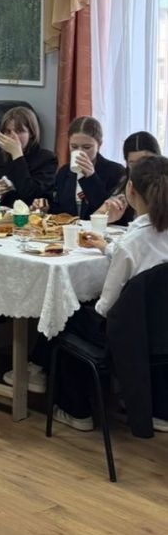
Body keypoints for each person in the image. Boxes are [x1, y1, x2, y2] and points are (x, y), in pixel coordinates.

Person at [50, 156, 168, 430]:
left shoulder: (133, 242)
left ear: (130, 190)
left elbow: (106, 306)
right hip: (161, 331)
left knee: (67, 316)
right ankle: (159, 410)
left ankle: (76, 410)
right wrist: (107, 247)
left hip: (129, 336)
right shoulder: (144, 238)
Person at [39, 116, 123, 220]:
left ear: (99, 145)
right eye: (74, 147)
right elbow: (59, 211)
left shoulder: (115, 171)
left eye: (87, 147)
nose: (80, 151)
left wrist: (91, 177)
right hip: (69, 228)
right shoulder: (64, 172)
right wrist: (46, 208)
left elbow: (108, 211)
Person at [0, 106, 57, 208]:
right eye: (8, 132)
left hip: (33, 214)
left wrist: (17, 155)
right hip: (4, 214)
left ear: (31, 133)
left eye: (19, 131)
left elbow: (31, 194)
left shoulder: (47, 158)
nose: (12, 136)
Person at [103, 131, 162, 225]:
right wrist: (105, 216)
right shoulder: (125, 187)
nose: (140, 169)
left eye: (145, 162)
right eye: (133, 164)